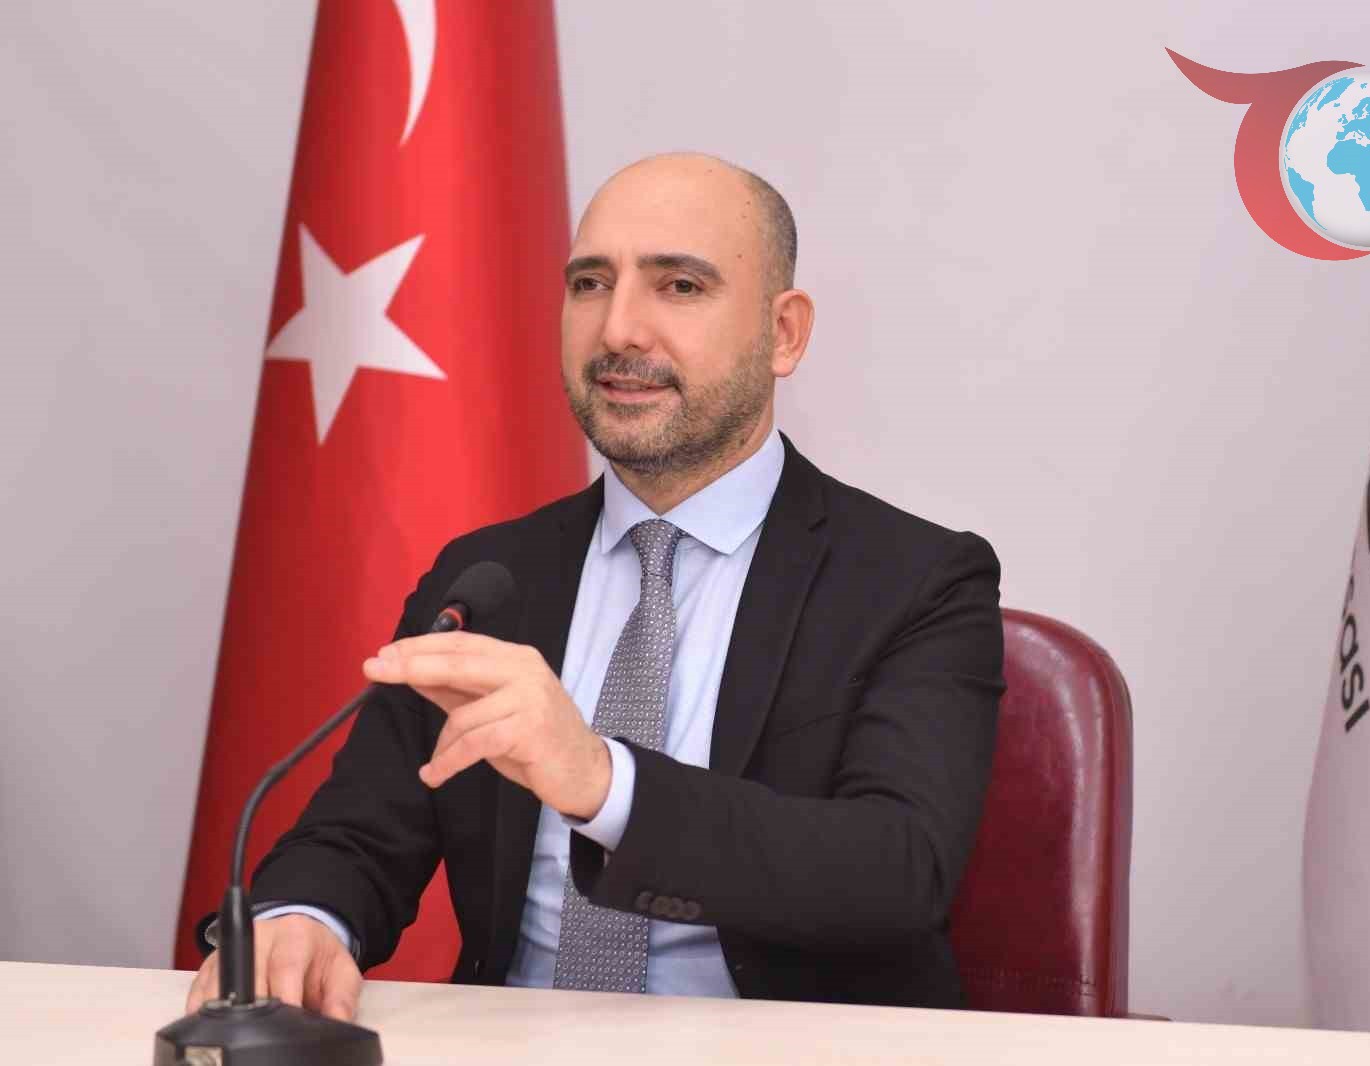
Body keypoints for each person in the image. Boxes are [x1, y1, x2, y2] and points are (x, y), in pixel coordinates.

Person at [185, 153, 1004, 1019]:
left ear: (784, 333)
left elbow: (899, 868)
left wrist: (604, 783)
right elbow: (357, 833)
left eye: (679, 286)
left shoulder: (916, 579)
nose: (618, 331)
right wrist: (305, 920)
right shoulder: (489, 578)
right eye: (589, 284)